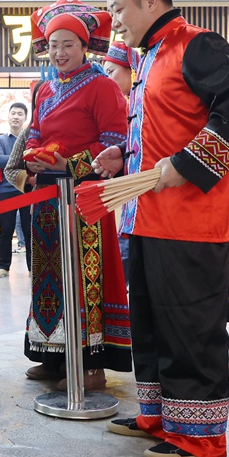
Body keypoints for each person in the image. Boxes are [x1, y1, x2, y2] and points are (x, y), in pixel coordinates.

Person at [87, 0, 229, 457]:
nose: (114, 20)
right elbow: (163, 129)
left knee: (190, 326)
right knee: (152, 322)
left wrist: (185, 164)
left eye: (119, 9)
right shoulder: (147, 57)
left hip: (192, 222)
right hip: (148, 218)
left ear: (150, 0)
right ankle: (159, 416)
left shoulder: (195, 45)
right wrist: (125, 155)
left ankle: (200, 436)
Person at [21, 0, 132, 391]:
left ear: (84, 46)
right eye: (53, 45)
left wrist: (67, 165)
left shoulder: (102, 86)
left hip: (86, 196)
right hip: (47, 197)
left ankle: (92, 364)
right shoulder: (44, 88)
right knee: (49, 273)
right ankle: (53, 357)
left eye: (68, 44)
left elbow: (115, 144)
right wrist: (34, 157)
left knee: (88, 280)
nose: (60, 52)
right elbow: (35, 133)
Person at [101, 41, 138, 285]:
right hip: (129, 198)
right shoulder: (126, 101)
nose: (108, 79)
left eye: (112, 72)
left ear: (131, 71)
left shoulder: (135, 102)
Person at [0, 102, 31, 276]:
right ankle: (3, 267)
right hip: (5, 190)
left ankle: (33, 268)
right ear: (8, 116)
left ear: (25, 118)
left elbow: (34, 159)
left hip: (26, 188)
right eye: (13, 113)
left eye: (20, 114)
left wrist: (16, 160)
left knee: (29, 229)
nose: (16, 116)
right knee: (5, 230)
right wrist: (23, 158)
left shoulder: (30, 139)